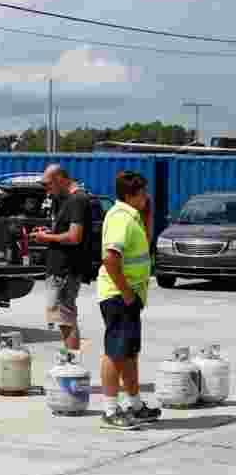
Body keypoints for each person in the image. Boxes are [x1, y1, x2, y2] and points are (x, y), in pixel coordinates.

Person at [97, 171, 161, 430]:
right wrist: (125, 293)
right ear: (129, 195)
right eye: (142, 193)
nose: (146, 197)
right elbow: (110, 259)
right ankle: (110, 410)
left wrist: (148, 215)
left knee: (130, 353)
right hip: (118, 296)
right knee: (115, 353)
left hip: (129, 296)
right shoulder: (121, 219)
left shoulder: (131, 216)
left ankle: (134, 404)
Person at [31, 165, 93, 351]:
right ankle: (70, 359)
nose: (46, 189)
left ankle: (72, 362)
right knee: (62, 317)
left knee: (66, 318)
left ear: (59, 179)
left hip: (66, 270)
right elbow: (66, 231)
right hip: (59, 268)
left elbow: (75, 237)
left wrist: (46, 238)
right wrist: (49, 233)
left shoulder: (78, 200)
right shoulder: (65, 199)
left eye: (48, 184)